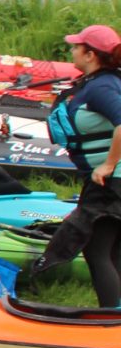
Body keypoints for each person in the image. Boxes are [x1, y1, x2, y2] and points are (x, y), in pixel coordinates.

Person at [44, 24, 121, 306]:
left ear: (91, 55)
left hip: (110, 182)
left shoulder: (101, 87)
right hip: (111, 181)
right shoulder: (106, 81)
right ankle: (115, 315)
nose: (72, 50)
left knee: (96, 249)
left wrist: (108, 165)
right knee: (113, 250)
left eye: (77, 47)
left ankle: (111, 320)